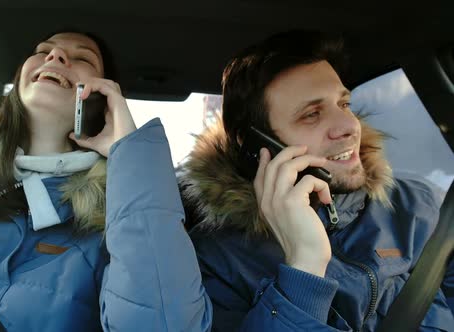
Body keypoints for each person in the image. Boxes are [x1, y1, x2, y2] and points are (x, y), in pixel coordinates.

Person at [0, 31, 212, 331]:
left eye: (83, 59)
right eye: (43, 51)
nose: (56, 55)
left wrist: (128, 149)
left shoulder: (120, 221)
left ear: (100, 102)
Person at [178, 30, 454, 331]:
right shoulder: (216, 262)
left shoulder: (417, 206)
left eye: (344, 104)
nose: (349, 126)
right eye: (311, 114)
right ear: (258, 145)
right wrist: (304, 268)